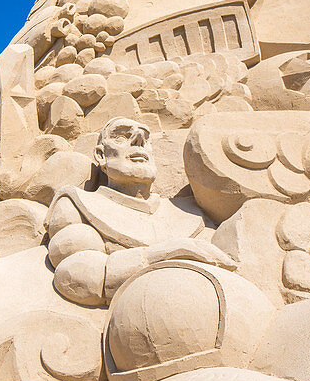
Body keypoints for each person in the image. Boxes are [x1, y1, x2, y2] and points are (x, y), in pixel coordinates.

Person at [46, 117, 235, 306]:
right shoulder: (78, 203)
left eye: (145, 138)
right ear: (101, 156)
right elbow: (78, 276)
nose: (138, 139)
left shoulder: (191, 212)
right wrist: (165, 254)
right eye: (121, 136)